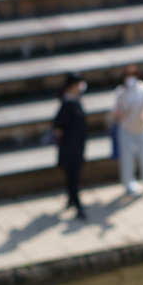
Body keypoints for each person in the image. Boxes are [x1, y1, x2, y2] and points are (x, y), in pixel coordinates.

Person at [111, 64, 143, 196]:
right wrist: (118, 113)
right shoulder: (121, 92)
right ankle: (129, 184)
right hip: (126, 129)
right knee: (127, 159)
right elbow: (115, 110)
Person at [53, 73, 88, 219]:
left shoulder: (74, 101)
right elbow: (58, 126)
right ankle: (77, 203)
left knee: (74, 174)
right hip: (70, 148)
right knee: (73, 175)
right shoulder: (67, 105)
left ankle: (72, 199)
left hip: (78, 145)